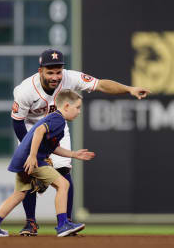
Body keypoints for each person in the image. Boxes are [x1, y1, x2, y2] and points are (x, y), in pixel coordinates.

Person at [11, 49, 150, 236]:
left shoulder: (70, 78)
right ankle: (30, 224)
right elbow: (17, 122)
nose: (55, 76)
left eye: (58, 71)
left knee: (64, 169)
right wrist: (35, 154)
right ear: (40, 71)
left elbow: (100, 85)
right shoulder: (25, 90)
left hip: (56, 124)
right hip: (30, 127)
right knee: (29, 171)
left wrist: (129, 89)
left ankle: (66, 223)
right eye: (50, 72)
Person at [0, 89, 95, 237]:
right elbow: (39, 131)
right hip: (31, 160)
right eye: (77, 107)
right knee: (64, 184)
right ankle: (63, 224)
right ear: (67, 106)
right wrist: (33, 156)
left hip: (22, 159)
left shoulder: (55, 119)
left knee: (19, 194)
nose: (79, 111)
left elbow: (53, 147)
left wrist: (73, 154)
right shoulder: (58, 119)